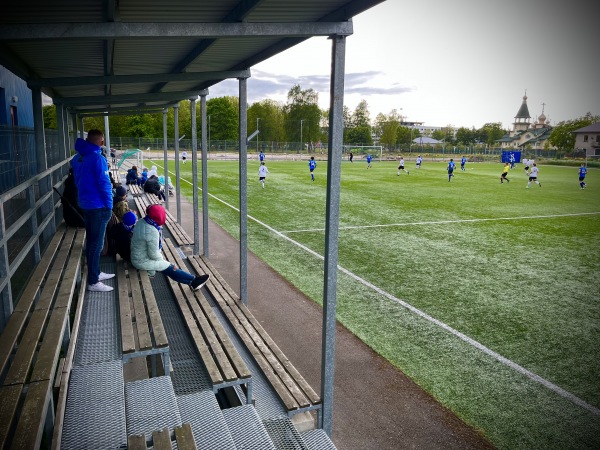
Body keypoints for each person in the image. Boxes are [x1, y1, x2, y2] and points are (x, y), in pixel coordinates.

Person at [70, 129, 115, 292]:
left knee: (92, 240)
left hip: (85, 204)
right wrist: (109, 205)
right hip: (98, 207)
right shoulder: (98, 158)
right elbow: (105, 184)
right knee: (96, 243)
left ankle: (96, 272)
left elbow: (76, 182)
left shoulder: (77, 158)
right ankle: (93, 281)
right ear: (101, 142)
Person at [130, 204, 209, 289]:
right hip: (141, 261)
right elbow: (153, 254)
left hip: (138, 256)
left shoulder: (142, 221)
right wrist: (166, 263)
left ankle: (193, 282)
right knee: (170, 267)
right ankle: (194, 279)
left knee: (168, 267)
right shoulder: (152, 230)